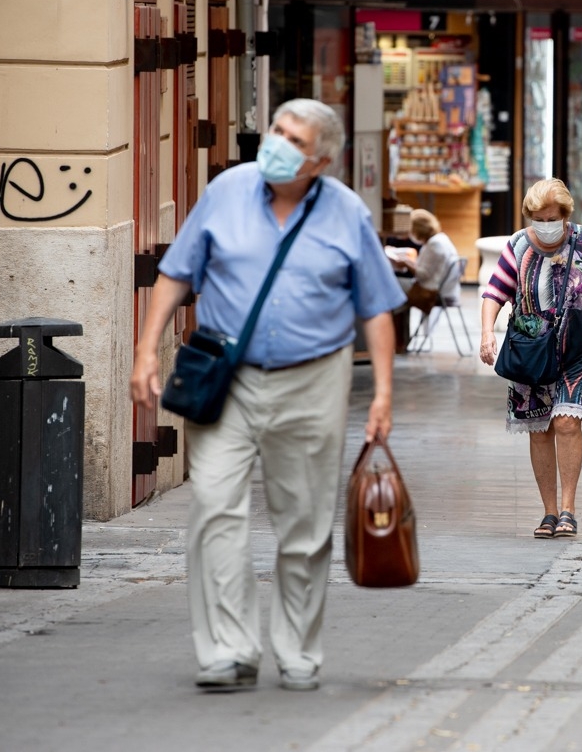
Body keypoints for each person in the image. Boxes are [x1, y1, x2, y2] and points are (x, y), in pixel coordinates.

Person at [129, 98, 406, 694]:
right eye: (276, 129)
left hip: (314, 377)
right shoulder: (228, 190)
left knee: (304, 523)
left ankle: (298, 650)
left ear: (322, 160)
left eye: (293, 138)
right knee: (214, 508)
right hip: (226, 377)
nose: (276, 142)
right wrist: (146, 348)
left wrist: (382, 394)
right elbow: (178, 270)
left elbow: (376, 308)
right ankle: (229, 651)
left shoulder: (346, 213)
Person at [478, 178, 582, 540]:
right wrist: (487, 332)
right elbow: (494, 292)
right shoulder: (517, 245)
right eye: (538, 218)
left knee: (565, 422)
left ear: (565, 215)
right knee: (540, 427)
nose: (545, 225)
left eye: (552, 218)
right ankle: (548, 512)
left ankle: (568, 509)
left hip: (581, 347)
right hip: (531, 349)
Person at [391, 208, 461, 315]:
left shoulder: (434, 245)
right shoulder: (441, 239)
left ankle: (396, 324)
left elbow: (423, 275)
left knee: (391, 283)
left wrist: (406, 263)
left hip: (429, 292)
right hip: (445, 288)